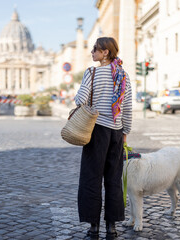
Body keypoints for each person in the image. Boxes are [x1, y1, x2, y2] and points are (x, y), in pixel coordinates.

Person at [74, 37, 132, 240]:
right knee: (113, 179)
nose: (92, 52)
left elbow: (80, 99)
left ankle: (94, 227)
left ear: (105, 52)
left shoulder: (92, 72)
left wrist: (85, 89)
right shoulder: (123, 75)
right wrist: (125, 132)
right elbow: (127, 107)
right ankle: (112, 227)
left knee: (91, 177)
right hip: (116, 131)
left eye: (95, 49)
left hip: (96, 130)